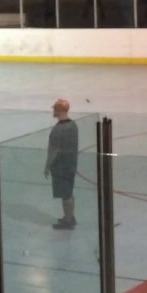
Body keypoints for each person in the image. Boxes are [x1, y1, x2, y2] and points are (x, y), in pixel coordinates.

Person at [45, 98, 79, 230]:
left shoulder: (58, 130)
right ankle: (69, 216)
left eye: (55, 109)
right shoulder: (73, 125)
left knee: (65, 195)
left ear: (59, 110)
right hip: (71, 164)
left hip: (60, 166)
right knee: (69, 192)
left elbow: (54, 150)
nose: (53, 111)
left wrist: (47, 166)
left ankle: (68, 220)